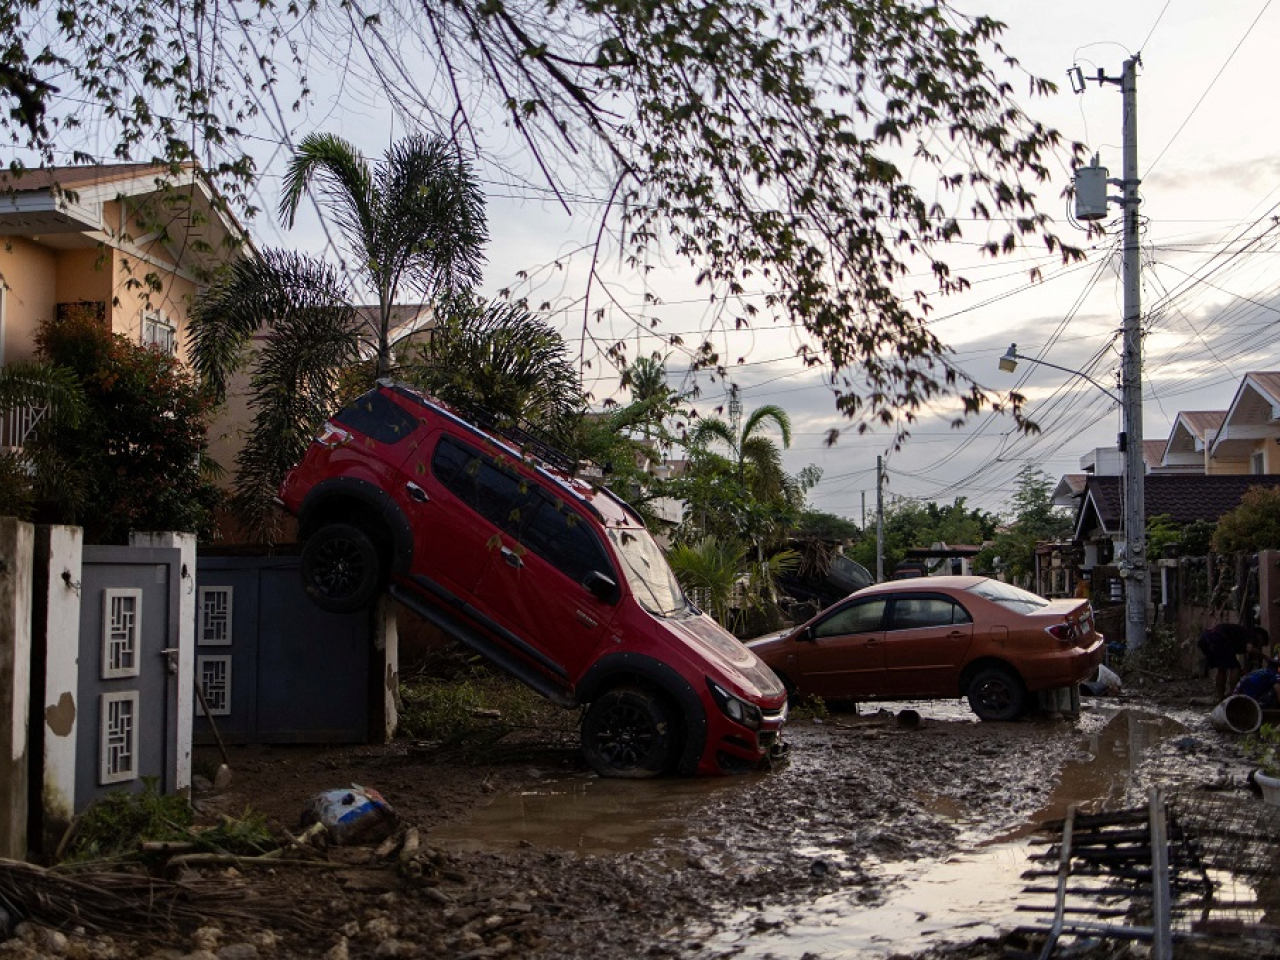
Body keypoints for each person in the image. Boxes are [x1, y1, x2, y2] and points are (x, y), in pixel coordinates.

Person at [1199, 622, 1253, 701]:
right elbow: (1250, 649)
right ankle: (1234, 697)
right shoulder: (1248, 635)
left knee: (1222, 668)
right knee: (1235, 668)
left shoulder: (1236, 634)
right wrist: (1265, 658)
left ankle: (1220, 696)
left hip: (1204, 639)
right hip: (1218, 638)